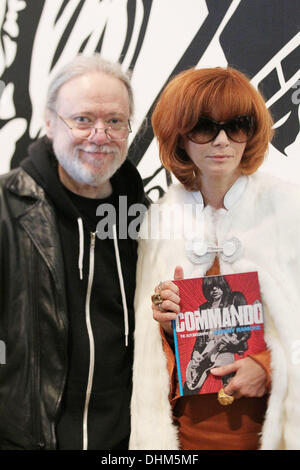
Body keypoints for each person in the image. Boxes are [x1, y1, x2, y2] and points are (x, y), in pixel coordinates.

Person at [130, 66, 300, 450]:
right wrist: (166, 322)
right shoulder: (159, 222)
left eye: (236, 125)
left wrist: (270, 368)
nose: (222, 140)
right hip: (185, 438)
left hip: (272, 435)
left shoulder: (290, 211)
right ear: (180, 137)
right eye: (205, 127)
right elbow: (150, 359)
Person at [0, 54, 147, 450]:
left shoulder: (144, 217)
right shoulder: (7, 208)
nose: (100, 135)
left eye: (115, 121)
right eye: (82, 119)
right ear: (49, 122)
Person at [183, 276, 249, 395]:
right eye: (210, 288)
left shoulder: (235, 299)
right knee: (188, 390)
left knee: (231, 386)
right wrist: (196, 353)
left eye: (217, 286)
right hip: (206, 351)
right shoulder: (204, 308)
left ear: (223, 285)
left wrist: (236, 340)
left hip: (225, 349)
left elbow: (245, 330)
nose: (214, 290)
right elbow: (200, 335)